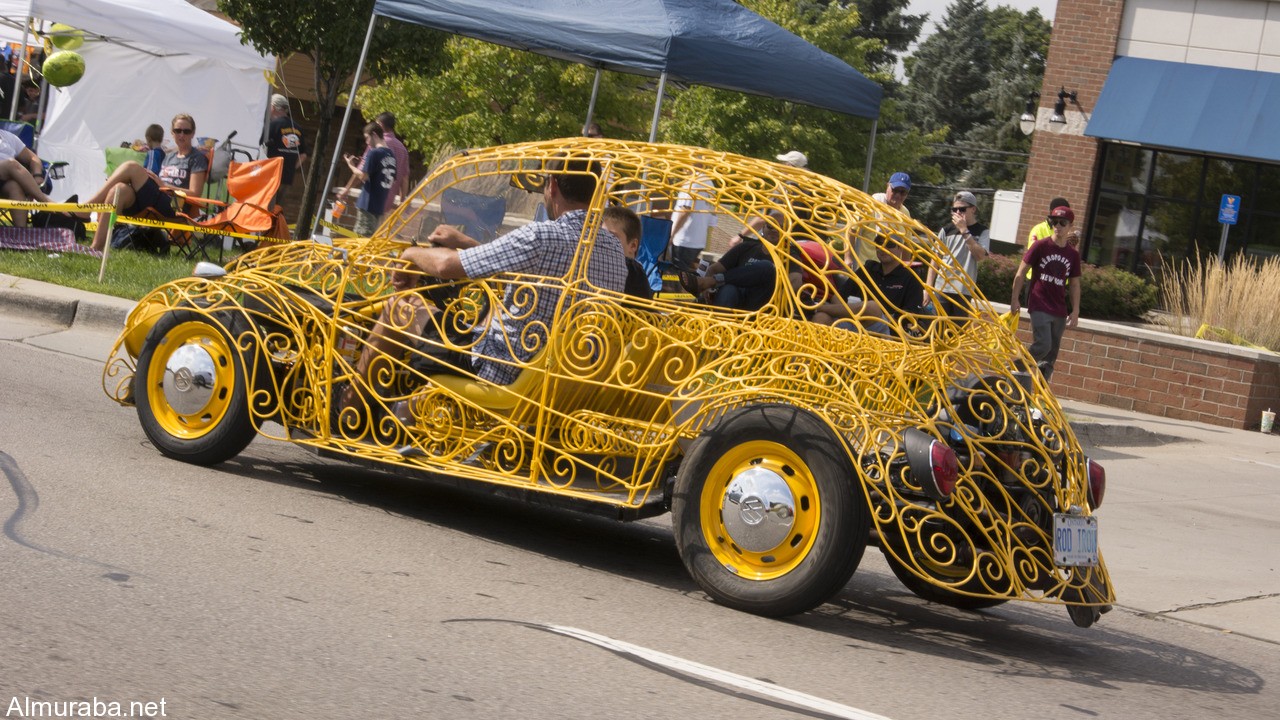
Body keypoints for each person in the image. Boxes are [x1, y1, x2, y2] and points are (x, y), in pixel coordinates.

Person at [398, 158, 629, 384]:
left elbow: (445, 266)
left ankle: (361, 410)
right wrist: (468, 243)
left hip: (500, 371)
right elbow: (521, 263)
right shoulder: (615, 249)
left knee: (397, 307)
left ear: (553, 185)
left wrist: (410, 255)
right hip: (568, 380)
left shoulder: (540, 236)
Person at [81, 113, 207, 251]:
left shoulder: (196, 158)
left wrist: (164, 185)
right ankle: (96, 248)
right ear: (172, 133)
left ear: (193, 133)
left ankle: (87, 208)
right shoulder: (169, 156)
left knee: (131, 167)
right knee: (118, 190)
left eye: (186, 131)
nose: (181, 135)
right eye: (178, 131)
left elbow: (195, 193)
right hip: (156, 202)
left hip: (175, 206)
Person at [1010, 205, 1081, 381]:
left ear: (1070, 226)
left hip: (1059, 308)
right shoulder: (1040, 246)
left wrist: (1076, 310)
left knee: (1051, 355)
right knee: (1043, 345)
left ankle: (1040, 394)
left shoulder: (1072, 255)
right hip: (1039, 302)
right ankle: (1013, 367)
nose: (1057, 225)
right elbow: (1020, 273)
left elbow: (1074, 284)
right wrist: (1015, 299)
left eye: (1062, 223)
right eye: (1054, 222)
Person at [814, 237, 923, 335]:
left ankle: (816, 307)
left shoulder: (911, 278)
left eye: (889, 244)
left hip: (887, 331)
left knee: (872, 307)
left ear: (900, 248)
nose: (883, 248)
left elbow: (911, 318)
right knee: (821, 317)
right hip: (856, 322)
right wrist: (851, 314)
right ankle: (818, 356)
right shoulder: (867, 270)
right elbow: (837, 297)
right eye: (879, 244)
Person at [680, 215, 777, 310]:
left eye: (780, 227)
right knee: (729, 289)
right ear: (763, 227)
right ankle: (716, 319)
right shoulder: (746, 247)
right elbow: (714, 269)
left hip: (759, 303)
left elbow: (792, 281)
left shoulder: (788, 257)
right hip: (732, 298)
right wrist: (707, 290)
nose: (774, 230)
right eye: (770, 226)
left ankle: (711, 282)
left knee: (768, 267)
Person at [927, 191, 990, 319]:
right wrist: (928, 288)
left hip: (964, 290)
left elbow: (981, 257)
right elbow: (935, 261)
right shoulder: (946, 230)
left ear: (973, 209)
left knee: (957, 332)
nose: (957, 213)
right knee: (938, 330)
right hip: (942, 288)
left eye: (962, 209)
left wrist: (964, 231)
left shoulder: (982, 231)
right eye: (954, 209)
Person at [337, 122, 396, 237]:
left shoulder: (374, 153)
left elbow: (363, 176)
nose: (366, 142)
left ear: (374, 134)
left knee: (361, 238)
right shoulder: (391, 154)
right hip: (379, 205)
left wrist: (351, 165)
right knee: (370, 240)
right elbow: (393, 179)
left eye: (367, 138)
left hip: (367, 204)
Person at [0, 126, 53, 226]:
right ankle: (45, 201)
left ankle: (21, 235)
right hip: (6, 168)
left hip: (5, 181)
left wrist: (37, 175)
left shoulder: (7, 137)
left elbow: (33, 158)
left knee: (14, 187)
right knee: (11, 164)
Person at [262, 94, 307, 207]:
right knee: (277, 209)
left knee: (265, 208)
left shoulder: (272, 126)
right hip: (287, 177)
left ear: (272, 107)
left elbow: (259, 145)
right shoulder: (298, 128)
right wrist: (291, 167)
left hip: (270, 175)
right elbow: (303, 155)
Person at [602, 205, 653, 300]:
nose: (603, 241)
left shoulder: (634, 272)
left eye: (611, 236)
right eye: (600, 235)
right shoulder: (600, 262)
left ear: (633, 245)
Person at [668, 170, 716, 270]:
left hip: (683, 239)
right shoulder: (709, 183)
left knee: (676, 275)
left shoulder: (692, 182)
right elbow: (712, 218)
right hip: (698, 241)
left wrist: (671, 235)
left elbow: (685, 210)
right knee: (684, 273)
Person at [375, 112, 409, 213]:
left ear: (381, 124)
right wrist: (402, 200)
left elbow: (363, 170)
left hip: (372, 198)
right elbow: (405, 178)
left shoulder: (377, 142)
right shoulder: (402, 149)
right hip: (387, 203)